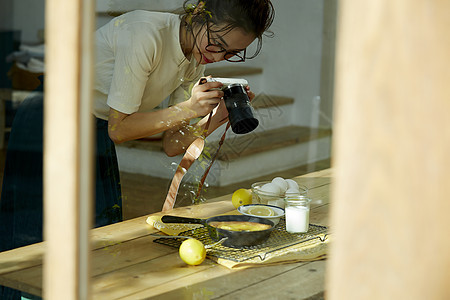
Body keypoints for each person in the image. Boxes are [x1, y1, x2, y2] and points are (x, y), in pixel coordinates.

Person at [0, 0, 274, 298]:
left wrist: (214, 118)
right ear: (198, 14)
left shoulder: (196, 56)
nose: (217, 55)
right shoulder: (146, 33)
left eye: (231, 53)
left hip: (94, 127)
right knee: (36, 241)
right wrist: (187, 108)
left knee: (97, 238)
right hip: (51, 121)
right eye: (217, 43)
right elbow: (120, 129)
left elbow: (171, 145)